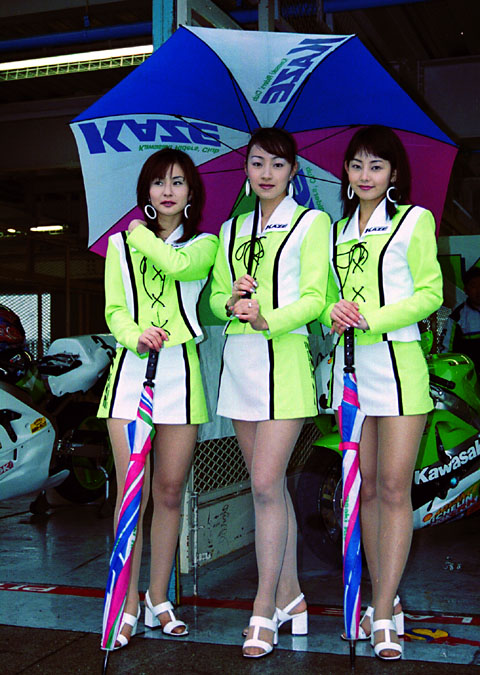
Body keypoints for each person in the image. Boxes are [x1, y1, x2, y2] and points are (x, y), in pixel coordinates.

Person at [320, 125, 443, 660]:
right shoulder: (333, 232)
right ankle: (379, 597)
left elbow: (431, 292)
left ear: (394, 172)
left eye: (376, 165)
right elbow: (322, 301)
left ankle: (386, 610)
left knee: (393, 487)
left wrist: (372, 317)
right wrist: (332, 313)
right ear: (345, 173)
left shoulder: (415, 221)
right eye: (356, 165)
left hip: (398, 364)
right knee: (364, 490)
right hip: (349, 371)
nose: (365, 175)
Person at [209, 127, 330, 658]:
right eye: (257, 162)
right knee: (269, 488)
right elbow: (214, 297)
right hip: (239, 363)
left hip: (284, 361)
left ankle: (263, 607)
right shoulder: (231, 229)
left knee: (263, 483)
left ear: (293, 172)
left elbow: (315, 298)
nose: (266, 173)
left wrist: (267, 318)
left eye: (277, 164)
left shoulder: (312, 223)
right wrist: (231, 301)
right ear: (246, 168)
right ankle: (292, 596)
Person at [98, 148, 218, 649]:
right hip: (130, 376)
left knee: (170, 493)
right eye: (158, 182)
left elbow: (180, 267)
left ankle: (158, 596)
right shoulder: (118, 246)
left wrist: (141, 234)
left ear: (191, 193)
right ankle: (126, 602)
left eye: (178, 182)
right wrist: (134, 335)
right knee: (133, 496)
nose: (167, 191)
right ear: (145, 190)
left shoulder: (205, 244)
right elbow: (114, 310)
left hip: (181, 378)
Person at [441, 266, 480, 373]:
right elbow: (447, 352)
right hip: (471, 376)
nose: (479, 290)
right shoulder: (457, 317)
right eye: (474, 286)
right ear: (465, 290)